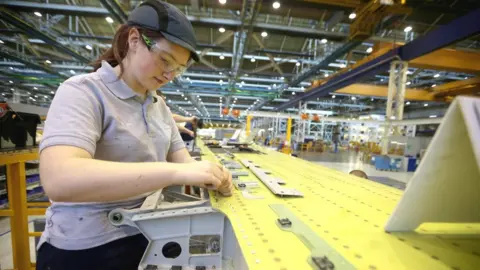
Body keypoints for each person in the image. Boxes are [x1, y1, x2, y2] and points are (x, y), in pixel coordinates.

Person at [36, 1, 233, 270]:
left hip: (149, 240)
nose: (169, 74)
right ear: (134, 40)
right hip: (86, 249)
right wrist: (173, 174)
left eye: (179, 69)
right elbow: (60, 179)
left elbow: (186, 165)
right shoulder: (83, 92)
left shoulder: (159, 106)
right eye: (166, 60)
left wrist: (214, 176)